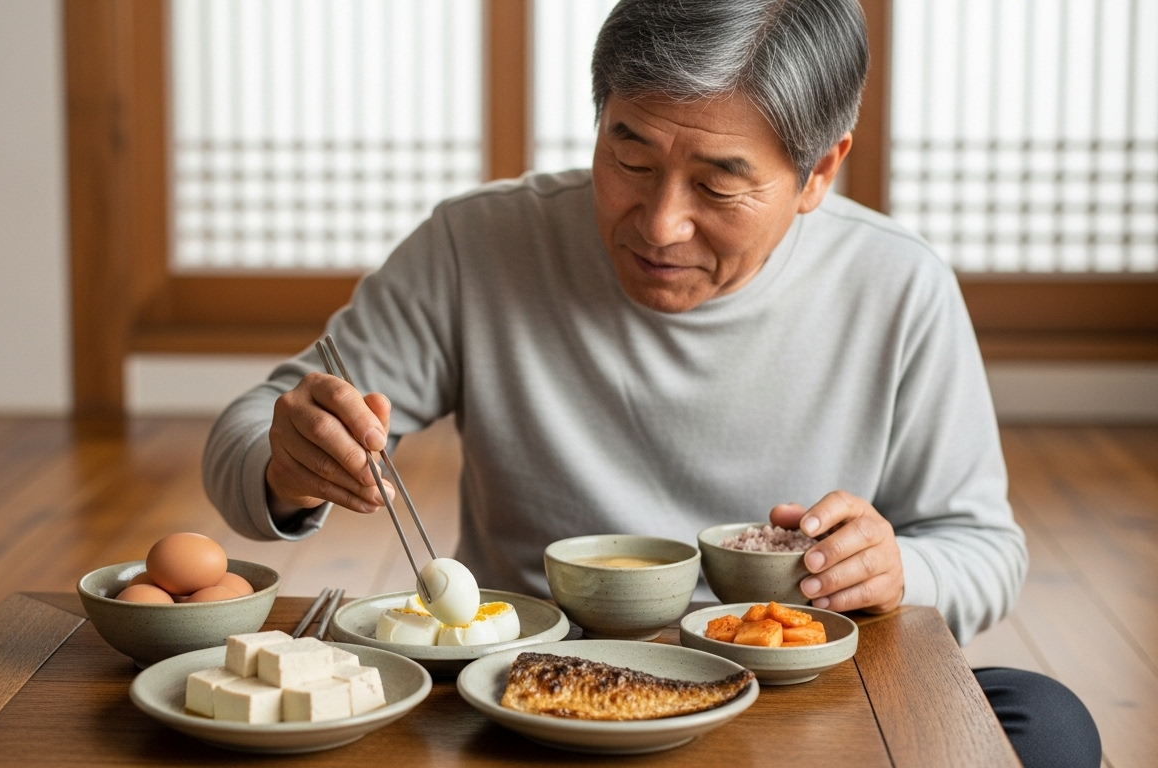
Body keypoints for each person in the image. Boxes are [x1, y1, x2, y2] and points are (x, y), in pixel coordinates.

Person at [203, 1, 1100, 765]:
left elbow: (983, 543)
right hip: (538, 688)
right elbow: (250, 430)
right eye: (630, 160)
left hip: (789, 691)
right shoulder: (480, 245)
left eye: (718, 183)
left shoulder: (897, 285)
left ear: (819, 170)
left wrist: (899, 566)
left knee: (1044, 725)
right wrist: (288, 464)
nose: (660, 223)